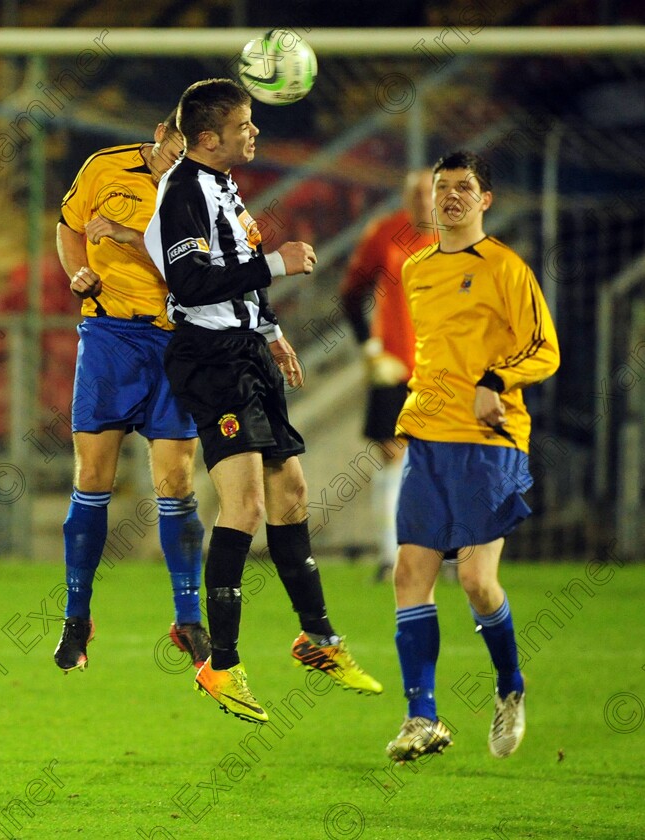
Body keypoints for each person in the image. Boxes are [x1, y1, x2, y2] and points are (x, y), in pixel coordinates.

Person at [144, 78, 383, 724]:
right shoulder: (184, 194)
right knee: (244, 504)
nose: (255, 133)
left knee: (292, 495)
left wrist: (272, 332)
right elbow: (191, 283)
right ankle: (220, 666)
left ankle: (318, 640)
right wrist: (276, 265)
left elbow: (239, 261)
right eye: (244, 125)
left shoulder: (224, 187)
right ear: (206, 139)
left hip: (246, 354)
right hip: (209, 360)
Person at [386, 151, 560, 761]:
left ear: (485, 199)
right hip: (431, 439)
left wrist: (493, 379)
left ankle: (510, 683)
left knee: (479, 582)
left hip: (490, 443)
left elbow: (545, 350)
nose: (451, 197)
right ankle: (421, 718)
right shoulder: (415, 270)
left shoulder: (506, 268)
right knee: (411, 574)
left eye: (464, 188)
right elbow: (435, 354)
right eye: (442, 188)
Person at [53, 110, 211, 675]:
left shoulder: (200, 192)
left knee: (176, 480)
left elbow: (196, 276)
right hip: (110, 337)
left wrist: (126, 237)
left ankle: (188, 618)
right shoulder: (104, 167)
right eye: (177, 147)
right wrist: (78, 271)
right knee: (92, 476)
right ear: (161, 134)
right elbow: (68, 225)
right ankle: (77, 619)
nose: (180, 159)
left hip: (176, 340)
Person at [339, 170, 436, 582]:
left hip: (443, 367)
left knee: (438, 462)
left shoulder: (459, 239)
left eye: (429, 193)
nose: (422, 202)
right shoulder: (385, 233)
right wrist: (370, 349)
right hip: (395, 366)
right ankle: (390, 556)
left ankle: (440, 556)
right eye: (414, 194)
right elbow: (350, 293)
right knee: (394, 457)